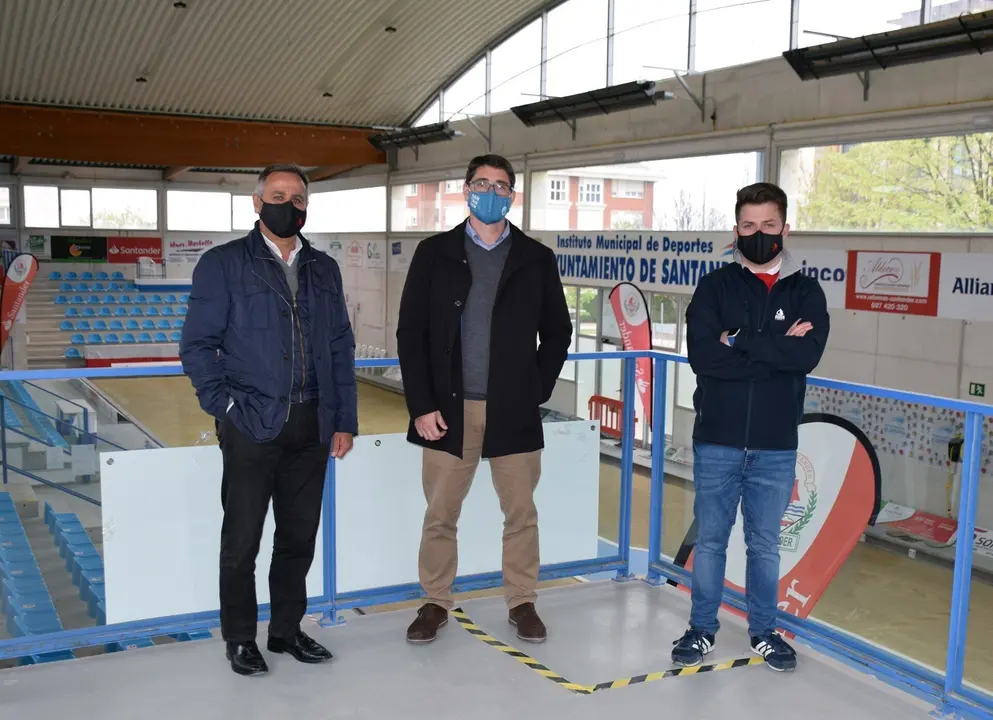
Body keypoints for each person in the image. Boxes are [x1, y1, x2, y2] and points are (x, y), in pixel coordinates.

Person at [180, 163, 357, 677]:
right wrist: (228, 407)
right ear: (257, 202)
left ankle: (285, 630)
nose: (289, 204)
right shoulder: (223, 264)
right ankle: (240, 638)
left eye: (298, 197)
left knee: (298, 538)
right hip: (251, 425)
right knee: (242, 542)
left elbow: (340, 347)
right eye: (278, 195)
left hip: (313, 425)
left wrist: (342, 419)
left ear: (307, 206)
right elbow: (197, 347)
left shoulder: (324, 268)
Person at [396, 154, 572, 645]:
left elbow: (557, 331)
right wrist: (421, 404)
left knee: (521, 513)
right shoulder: (434, 253)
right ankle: (434, 602)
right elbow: (411, 332)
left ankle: (522, 602)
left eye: (500, 185)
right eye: (481, 183)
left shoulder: (536, 258)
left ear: (512, 195)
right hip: (448, 410)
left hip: (512, 409)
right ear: (466, 189)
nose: (490, 192)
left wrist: (536, 389)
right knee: (440, 514)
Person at [671, 182, 829, 673]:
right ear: (734, 229)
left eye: (768, 225)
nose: (758, 234)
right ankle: (701, 629)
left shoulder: (806, 290)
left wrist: (737, 342)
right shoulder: (715, 286)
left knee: (764, 545)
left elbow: (806, 357)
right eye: (748, 226)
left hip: (776, 446)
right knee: (712, 541)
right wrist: (774, 347)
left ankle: (764, 632)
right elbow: (703, 356)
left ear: (786, 227)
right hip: (716, 439)